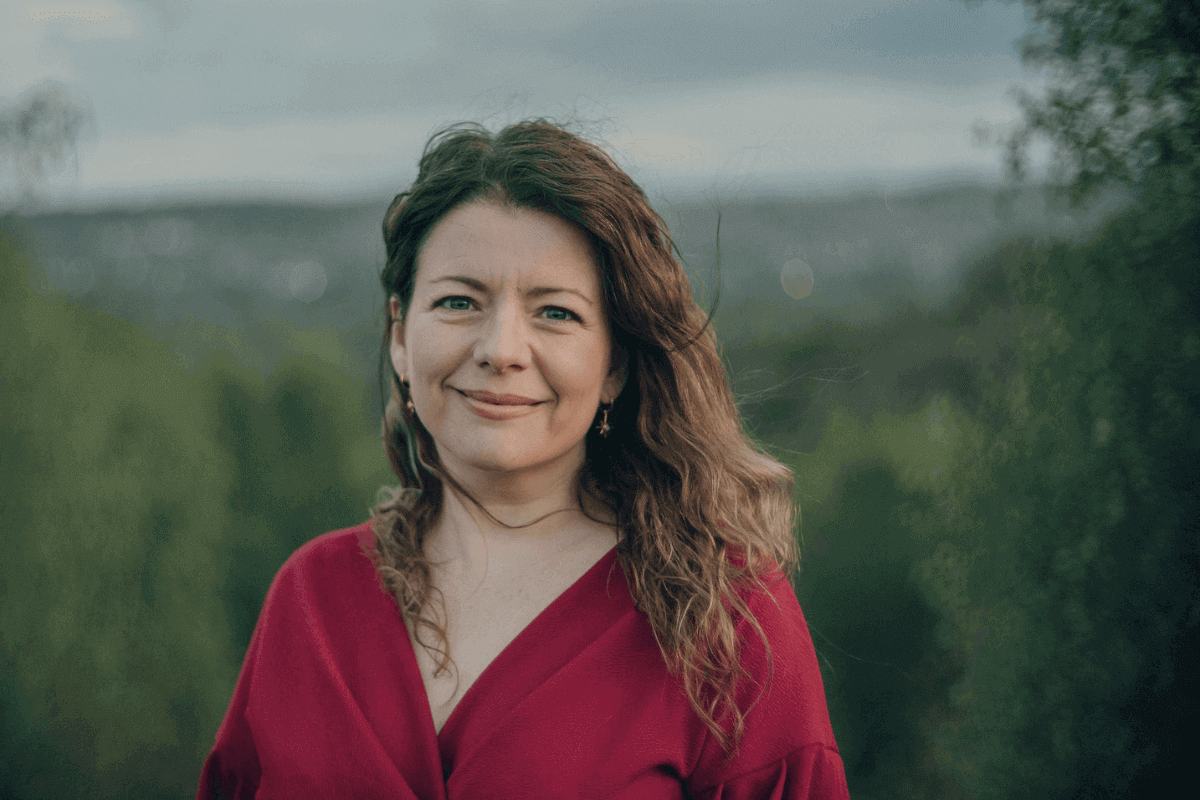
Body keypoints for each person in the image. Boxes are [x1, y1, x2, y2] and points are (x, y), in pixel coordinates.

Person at [197, 120, 849, 799]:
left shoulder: (725, 615)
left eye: (555, 313)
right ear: (400, 336)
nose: (501, 350)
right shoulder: (311, 603)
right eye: (458, 302)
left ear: (615, 364)